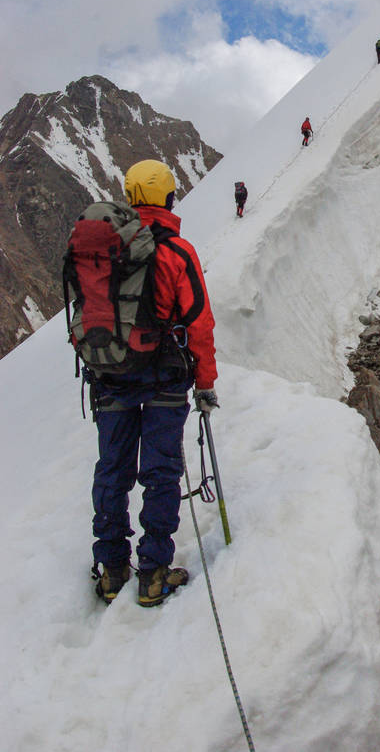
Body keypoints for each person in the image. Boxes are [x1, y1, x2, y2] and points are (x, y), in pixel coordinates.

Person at [90, 159, 218, 607]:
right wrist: (205, 383)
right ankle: (153, 571)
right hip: (164, 377)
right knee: (161, 472)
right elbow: (199, 323)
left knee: (112, 470)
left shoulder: (103, 247)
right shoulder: (177, 251)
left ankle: (111, 569)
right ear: (166, 196)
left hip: (110, 376)